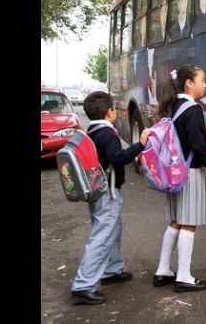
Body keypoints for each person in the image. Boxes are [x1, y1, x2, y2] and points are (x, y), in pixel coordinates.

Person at [71, 91, 151, 305]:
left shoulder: (92, 130)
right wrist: (140, 144)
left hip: (98, 190)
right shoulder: (107, 133)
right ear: (109, 112)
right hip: (108, 191)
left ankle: (111, 270)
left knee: (112, 229)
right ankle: (83, 285)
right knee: (102, 235)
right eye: (114, 108)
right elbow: (119, 157)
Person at [152, 64, 206, 292]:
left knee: (176, 221)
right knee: (189, 224)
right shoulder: (192, 109)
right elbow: (198, 144)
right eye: (201, 81)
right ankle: (183, 276)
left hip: (174, 172)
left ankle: (163, 270)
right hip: (190, 172)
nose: (204, 85)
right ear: (188, 84)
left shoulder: (174, 106)